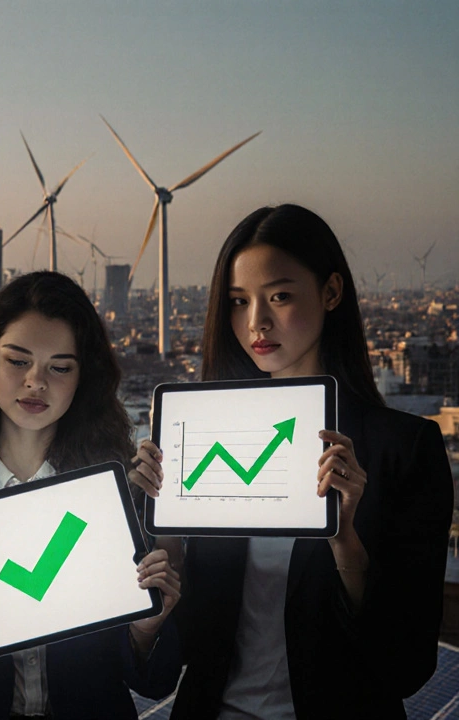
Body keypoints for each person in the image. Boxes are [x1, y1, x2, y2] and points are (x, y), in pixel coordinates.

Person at [140, 204, 452, 719]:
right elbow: (172, 659)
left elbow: (405, 667)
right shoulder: (204, 435)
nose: (256, 322)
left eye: (279, 296)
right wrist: (165, 529)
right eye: (239, 302)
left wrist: (344, 538)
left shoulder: (404, 450)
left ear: (331, 292)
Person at [0, 271, 182, 719]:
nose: (36, 382)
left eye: (59, 367)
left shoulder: (123, 491)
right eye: (17, 361)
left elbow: (152, 681)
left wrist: (145, 627)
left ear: (84, 376)